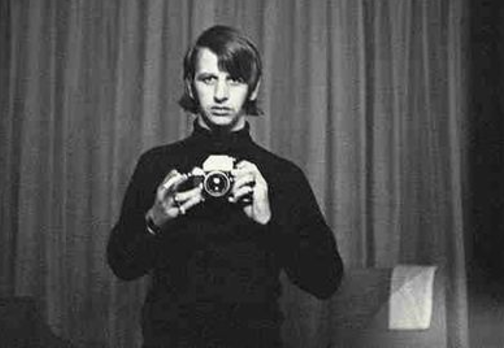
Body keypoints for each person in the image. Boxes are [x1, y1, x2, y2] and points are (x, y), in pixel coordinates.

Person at [107, 25, 343, 348]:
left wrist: (270, 222)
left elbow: (326, 281)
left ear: (253, 88)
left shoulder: (281, 176)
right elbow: (122, 265)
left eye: (234, 79)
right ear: (190, 86)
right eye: (208, 79)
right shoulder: (158, 166)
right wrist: (154, 220)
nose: (220, 94)